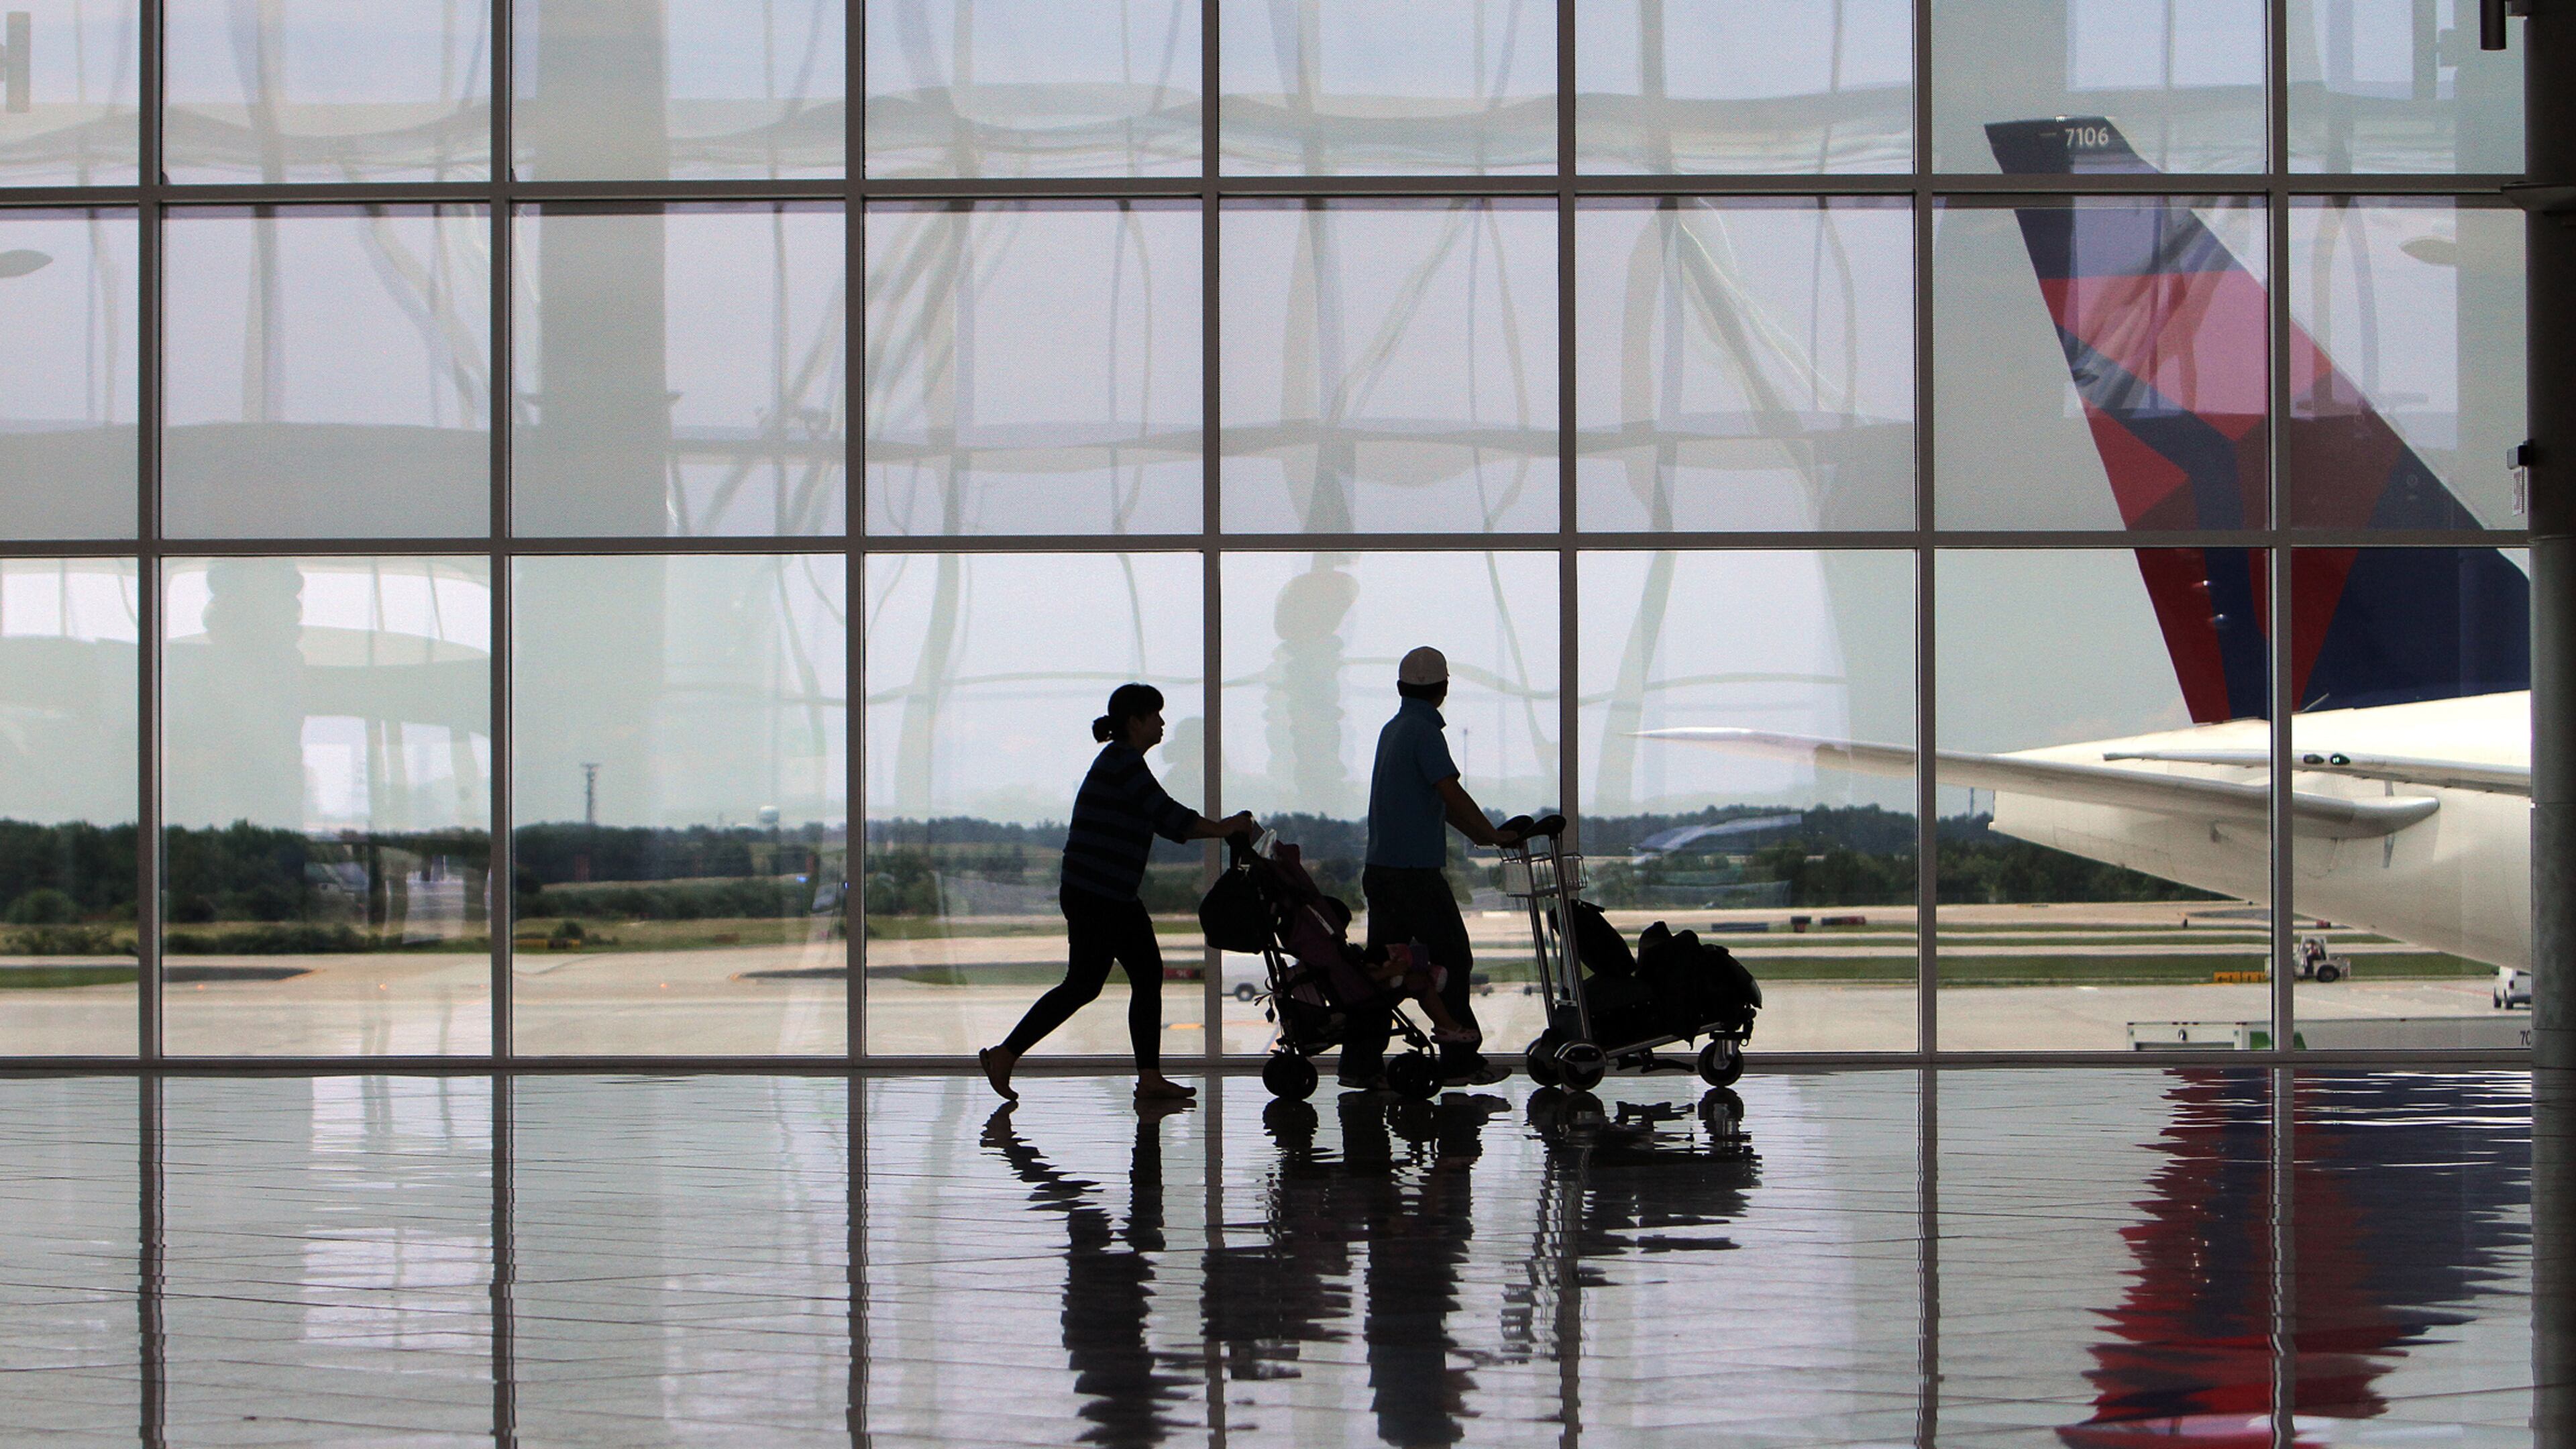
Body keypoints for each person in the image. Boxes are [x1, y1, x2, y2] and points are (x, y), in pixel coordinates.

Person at [980, 683, 1254, 1103]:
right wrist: (1223, 828)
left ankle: (1147, 1076)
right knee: (1092, 983)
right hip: (1098, 894)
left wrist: (1218, 828)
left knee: (1131, 977)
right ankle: (1006, 1054)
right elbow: (1169, 816)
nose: (1162, 723)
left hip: (1109, 895)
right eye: (1156, 716)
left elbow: (1164, 820)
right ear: (1135, 722)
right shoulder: (1122, 763)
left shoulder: (1123, 763)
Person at [1338, 645, 1518, 1090]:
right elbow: (1450, 792)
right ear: (1443, 689)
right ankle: (1459, 1059)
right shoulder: (1426, 733)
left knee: (1382, 970)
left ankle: (1360, 1064)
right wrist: (1493, 835)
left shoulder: (1394, 729)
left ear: (1401, 688)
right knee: (1453, 958)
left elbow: (1437, 800)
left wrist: (1479, 833)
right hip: (1415, 876)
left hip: (1382, 871)